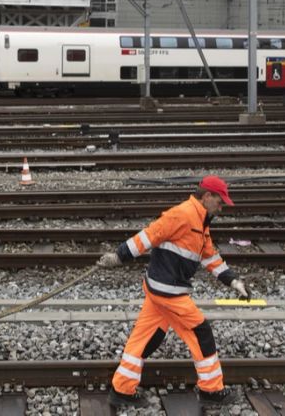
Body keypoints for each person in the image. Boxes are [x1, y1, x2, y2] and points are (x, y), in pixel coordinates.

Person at [97, 174, 250, 408]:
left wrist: (233, 281)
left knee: (145, 339)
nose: (222, 207)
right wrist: (119, 256)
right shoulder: (182, 214)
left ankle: (121, 390)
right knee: (201, 333)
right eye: (220, 201)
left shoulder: (201, 221)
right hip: (169, 292)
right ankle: (211, 390)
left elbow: (209, 256)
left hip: (159, 290)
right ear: (207, 196)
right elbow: (148, 236)